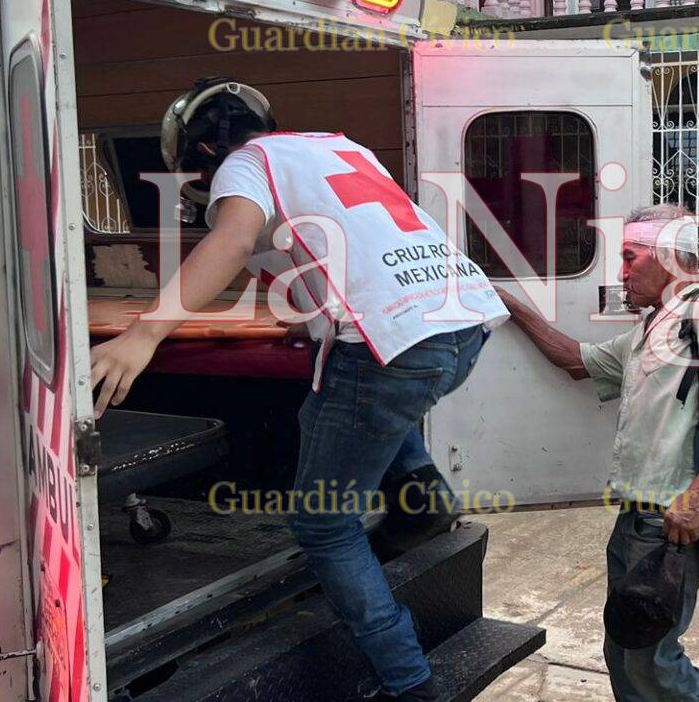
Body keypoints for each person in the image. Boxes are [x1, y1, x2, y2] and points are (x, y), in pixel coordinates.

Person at [89, 78, 507, 702]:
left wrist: (144, 333)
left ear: (201, 155)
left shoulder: (243, 165)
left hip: (390, 350)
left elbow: (230, 241)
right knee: (329, 408)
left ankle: (408, 683)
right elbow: (329, 251)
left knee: (324, 523)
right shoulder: (339, 148)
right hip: (463, 327)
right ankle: (422, 494)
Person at [497, 204, 699, 702]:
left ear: (670, 257)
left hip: (672, 524)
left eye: (630, 257)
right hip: (634, 520)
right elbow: (575, 361)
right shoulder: (650, 328)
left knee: (652, 663)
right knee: (622, 653)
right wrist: (510, 305)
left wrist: (697, 497)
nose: (621, 272)